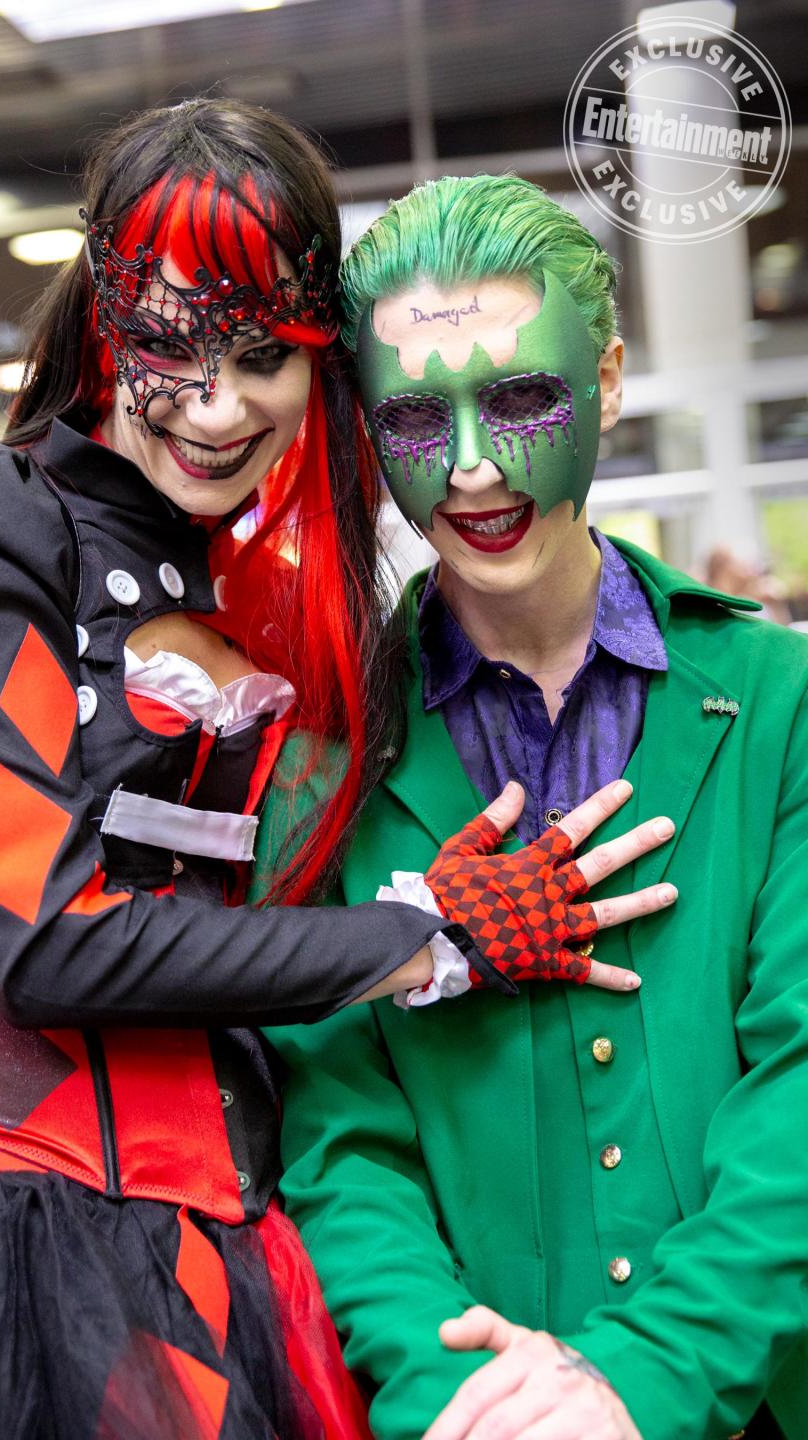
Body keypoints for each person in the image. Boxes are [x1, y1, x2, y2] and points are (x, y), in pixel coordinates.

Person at [0, 107, 676, 1439]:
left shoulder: (247, 607)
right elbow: (44, 939)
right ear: (101, 320)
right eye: (171, 347)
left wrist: (413, 915)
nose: (217, 404)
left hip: (201, 1249)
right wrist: (425, 938)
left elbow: (200, 949)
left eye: (262, 355)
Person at [260, 174, 808, 1440]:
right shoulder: (320, 763)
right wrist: (458, 1399)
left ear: (608, 379)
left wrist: (643, 1378)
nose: (470, 467)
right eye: (412, 416)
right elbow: (342, 1144)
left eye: (521, 397)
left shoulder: (776, 706)